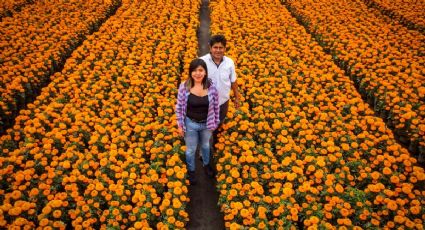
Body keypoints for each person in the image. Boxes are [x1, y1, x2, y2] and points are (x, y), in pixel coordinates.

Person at [176, 58, 220, 185]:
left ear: (205, 72)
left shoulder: (212, 87)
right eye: (194, 71)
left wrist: (215, 123)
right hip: (190, 123)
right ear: (190, 73)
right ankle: (191, 171)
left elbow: (216, 106)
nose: (197, 73)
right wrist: (180, 125)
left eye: (200, 70)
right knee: (190, 150)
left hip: (207, 123)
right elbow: (179, 107)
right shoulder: (184, 87)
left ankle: (206, 165)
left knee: (205, 146)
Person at [200, 34, 240, 123]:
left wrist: (237, 97)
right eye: (215, 47)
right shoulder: (202, 62)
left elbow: (233, 81)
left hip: (223, 102)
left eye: (221, 47)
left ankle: (215, 134)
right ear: (210, 48)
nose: (218, 50)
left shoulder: (229, 63)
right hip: (206, 102)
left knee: (219, 122)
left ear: (225, 49)